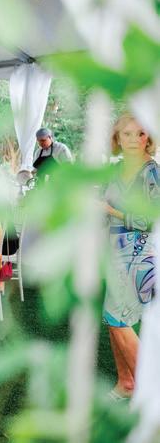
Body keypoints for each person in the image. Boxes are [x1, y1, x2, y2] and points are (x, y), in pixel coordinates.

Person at [103, 113, 158, 400]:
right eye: (127, 134)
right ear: (118, 138)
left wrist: (109, 211)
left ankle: (152, 392)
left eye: (141, 133)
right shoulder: (117, 170)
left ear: (149, 138)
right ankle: (126, 383)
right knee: (114, 317)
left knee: (117, 319)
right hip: (114, 250)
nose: (134, 140)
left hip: (138, 251)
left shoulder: (151, 172)